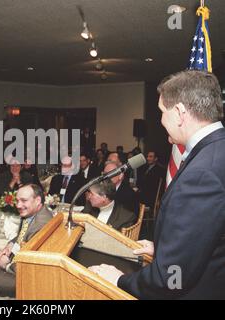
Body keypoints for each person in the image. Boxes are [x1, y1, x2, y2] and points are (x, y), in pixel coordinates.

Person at [89, 70, 225, 299]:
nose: (161, 120)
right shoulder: (216, 150)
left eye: (162, 112)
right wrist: (165, 250)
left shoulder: (202, 173)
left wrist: (120, 280)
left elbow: (173, 279)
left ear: (180, 113)